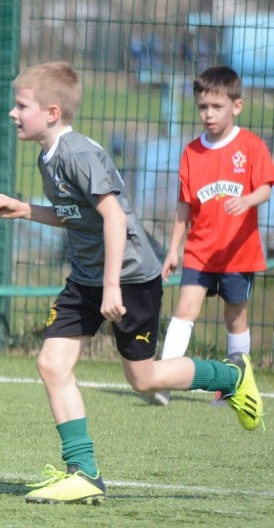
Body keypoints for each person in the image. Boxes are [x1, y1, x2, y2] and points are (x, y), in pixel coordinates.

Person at [0, 61, 265, 505]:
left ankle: (230, 377)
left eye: (22, 106)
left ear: (52, 112)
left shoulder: (78, 154)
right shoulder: (49, 156)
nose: (13, 114)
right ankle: (84, 473)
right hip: (87, 279)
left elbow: (115, 217)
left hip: (130, 278)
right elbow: (77, 216)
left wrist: (112, 286)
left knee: (144, 378)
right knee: (52, 364)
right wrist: (26, 210)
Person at [150, 66, 274, 406]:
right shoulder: (191, 152)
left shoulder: (250, 146)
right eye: (203, 106)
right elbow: (183, 205)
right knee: (184, 310)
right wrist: (174, 249)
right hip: (200, 251)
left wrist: (248, 199)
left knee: (235, 319)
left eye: (216, 107)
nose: (208, 114)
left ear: (237, 106)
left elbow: (265, 188)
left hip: (239, 253)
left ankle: (235, 386)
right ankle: (163, 381)